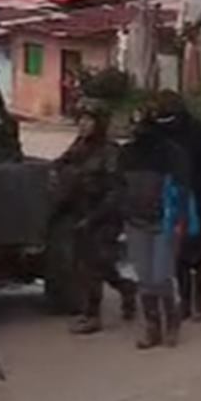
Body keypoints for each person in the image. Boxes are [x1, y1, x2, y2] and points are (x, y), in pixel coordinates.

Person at [50, 99, 137, 335]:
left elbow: (116, 189)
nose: (84, 125)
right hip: (80, 211)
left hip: (103, 214)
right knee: (92, 264)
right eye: (81, 120)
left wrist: (97, 216)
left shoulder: (110, 152)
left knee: (93, 265)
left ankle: (92, 315)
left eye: (89, 120)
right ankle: (126, 288)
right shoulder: (79, 146)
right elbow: (61, 164)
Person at [118, 102, 197, 349]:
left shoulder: (173, 153)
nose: (138, 130)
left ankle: (171, 323)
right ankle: (152, 327)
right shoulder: (126, 154)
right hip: (135, 221)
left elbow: (182, 190)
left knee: (161, 276)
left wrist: (179, 221)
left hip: (165, 221)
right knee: (145, 278)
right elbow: (117, 186)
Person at [151, 89, 201, 322]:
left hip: (200, 197)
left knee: (197, 249)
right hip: (169, 198)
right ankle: (185, 298)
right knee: (177, 251)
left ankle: (199, 294)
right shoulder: (156, 134)